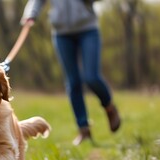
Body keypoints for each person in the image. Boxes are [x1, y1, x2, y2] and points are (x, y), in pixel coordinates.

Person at [20, 0, 121, 145]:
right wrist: (30, 14)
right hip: (61, 34)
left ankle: (109, 107)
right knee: (73, 82)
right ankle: (83, 130)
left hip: (88, 29)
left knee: (91, 77)